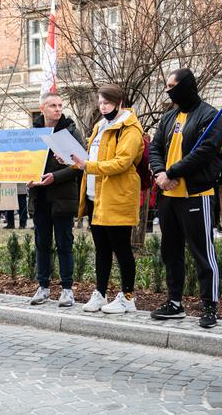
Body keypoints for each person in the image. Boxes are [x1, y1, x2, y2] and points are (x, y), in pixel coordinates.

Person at [148, 68, 222, 329]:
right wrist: (160, 173)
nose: (168, 90)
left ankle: (209, 306)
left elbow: (204, 152)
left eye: (172, 85)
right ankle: (175, 303)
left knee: (203, 253)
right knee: (171, 252)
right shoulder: (169, 117)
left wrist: (173, 172)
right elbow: (155, 147)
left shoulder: (210, 116)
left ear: (186, 86)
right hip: (168, 195)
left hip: (196, 195)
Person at [72, 84, 144, 314]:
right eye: (100, 103)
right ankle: (100, 293)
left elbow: (122, 162)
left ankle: (128, 296)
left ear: (119, 102)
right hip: (96, 197)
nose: (102, 107)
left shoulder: (130, 128)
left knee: (121, 249)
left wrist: (88, 165)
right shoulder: (100, 125)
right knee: (101, 248)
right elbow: (92, 156)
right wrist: (73, 160)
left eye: (107, 103)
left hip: (117, 197)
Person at [28, 92, 84, 307]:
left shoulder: (70, 131)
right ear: (42, 108)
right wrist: (26, 177)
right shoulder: (33, 133)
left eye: (60, 105)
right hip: (40, 196)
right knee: (42, 243)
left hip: (63, 196)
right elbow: (25, 160)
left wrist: (56, 176)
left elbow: (81, 165)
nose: (58, 109)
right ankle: (43, 287)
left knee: (64, 243)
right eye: (52, 105)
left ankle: (67, 290)